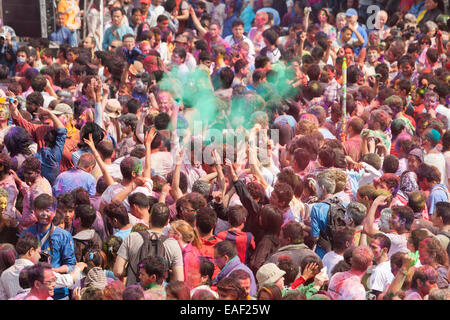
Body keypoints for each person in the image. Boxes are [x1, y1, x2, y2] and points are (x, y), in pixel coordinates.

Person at [20, 194, 76, 300]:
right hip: (33, 292)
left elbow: (70, 265)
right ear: (34, 211)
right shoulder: (26, 233)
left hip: (57, 292)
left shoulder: (64, 236)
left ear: (54, 212)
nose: (44, 214)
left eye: (48, 210)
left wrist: (54, 270)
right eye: (40, 209)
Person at [113, 202, 184, 286]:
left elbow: (117, 271)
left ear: (150, 218)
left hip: (134, 293)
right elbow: (179, 279)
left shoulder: (132, 238)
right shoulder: (173, 244)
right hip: (158, 295)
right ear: (167, 222)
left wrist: (131, 271)